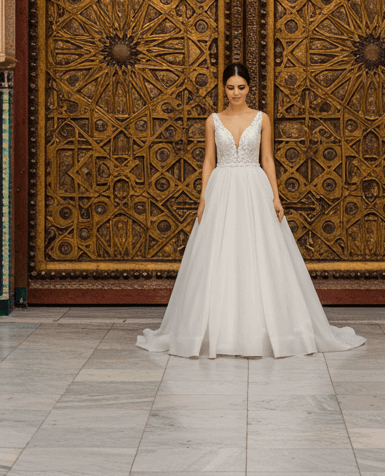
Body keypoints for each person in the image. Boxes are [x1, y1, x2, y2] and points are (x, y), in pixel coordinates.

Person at [136, 62, 365, 358]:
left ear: (248, 88)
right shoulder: (213, 120)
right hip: (221, 187)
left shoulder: (261, 118)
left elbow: (267, 158)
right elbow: (209, 160)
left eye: (241, 87)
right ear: (223, 88)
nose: (236, 93)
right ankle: (211, 330)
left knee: (259, 251)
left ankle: (270, 328)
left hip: (255, 186)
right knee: (219, 253)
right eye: (230, 88)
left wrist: (276, 196)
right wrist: (203, 197)